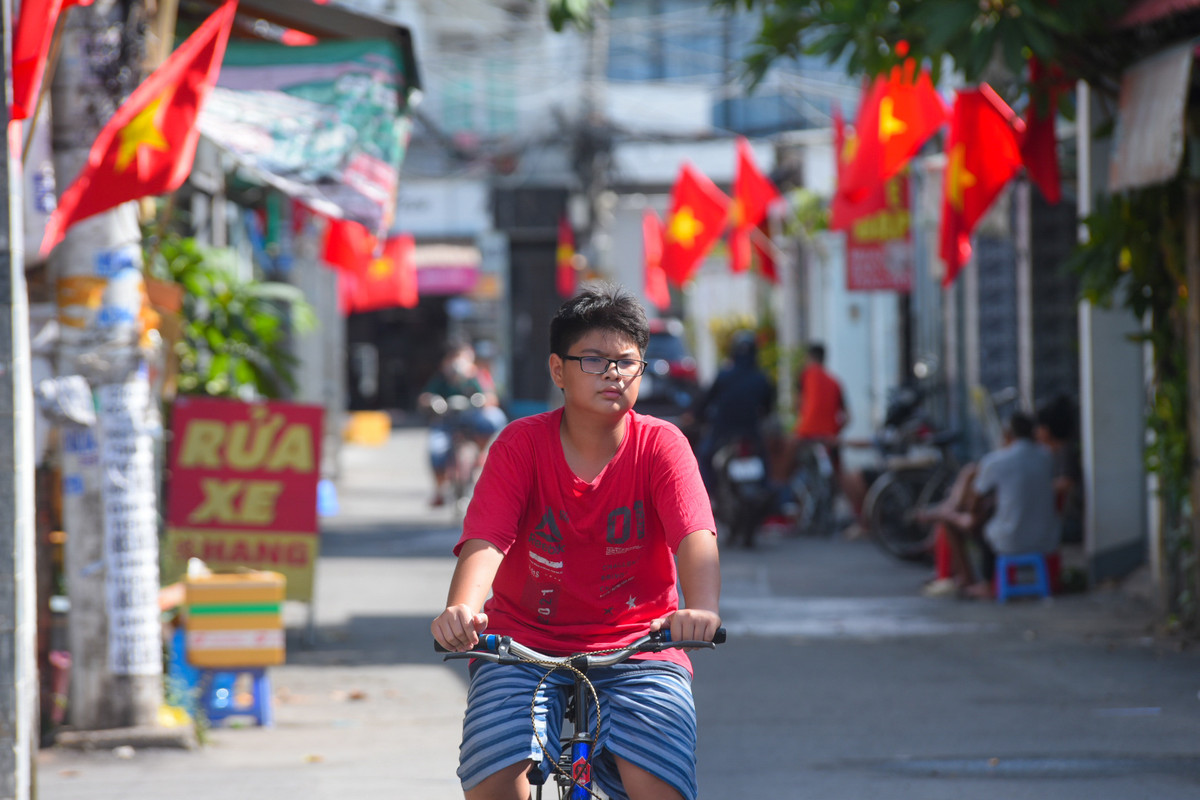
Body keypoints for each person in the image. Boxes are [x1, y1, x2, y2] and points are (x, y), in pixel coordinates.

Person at [430, 283, 721, 800]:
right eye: (593, 360)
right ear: (558, 370)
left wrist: (702, 610)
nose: (613, 373)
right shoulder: (520, 444)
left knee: (658, 782)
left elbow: (695, 535)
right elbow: (486, 539)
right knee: (494, 779)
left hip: (641, 646)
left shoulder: (662, 445)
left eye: (626, 362)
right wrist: (462, 611)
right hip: (520, 646)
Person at [918, 410, 1060, 598]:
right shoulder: (1046, 457)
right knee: (972, 518)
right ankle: (939, 517)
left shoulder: (998, 460)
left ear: (1007, 435)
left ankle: (978, 582)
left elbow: (974, 502)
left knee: (964, 522)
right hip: (1048, 539)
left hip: (1012, 540)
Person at [418, 340, 507, 507]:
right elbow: (424, 397)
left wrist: (482, 400)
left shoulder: (476, 376)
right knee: (436, 450)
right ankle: (440, 489)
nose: (458, 362)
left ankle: (481, 454)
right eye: (454, 357)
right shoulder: (441, 378)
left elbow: (491, 398)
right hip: (446, 422)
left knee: (492, 420)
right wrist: (432, 401)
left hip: (471, 422)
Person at [687, 330, 776, 493]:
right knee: (765, 460)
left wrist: (695, 416)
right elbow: (769, 407)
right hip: (751, 432)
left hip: (723, 432)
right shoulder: (762, 378)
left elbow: (705, 401)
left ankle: (707, 497)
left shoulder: (724, 375)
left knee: (704, 457)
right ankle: (767, 492)